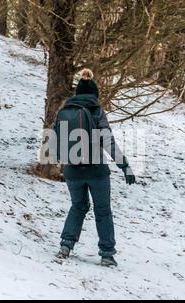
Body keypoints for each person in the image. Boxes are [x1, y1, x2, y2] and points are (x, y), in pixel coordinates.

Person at [55, 69, 136, 267]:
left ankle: (66, 245)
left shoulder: (64, 110)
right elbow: (107, 141)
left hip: (71, 169)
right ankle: (107, 254)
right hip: (96, 169)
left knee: (78, 206)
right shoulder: (97, 111)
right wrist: (124, 165)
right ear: (95, 94)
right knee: (103, 210)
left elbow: (55, 139)